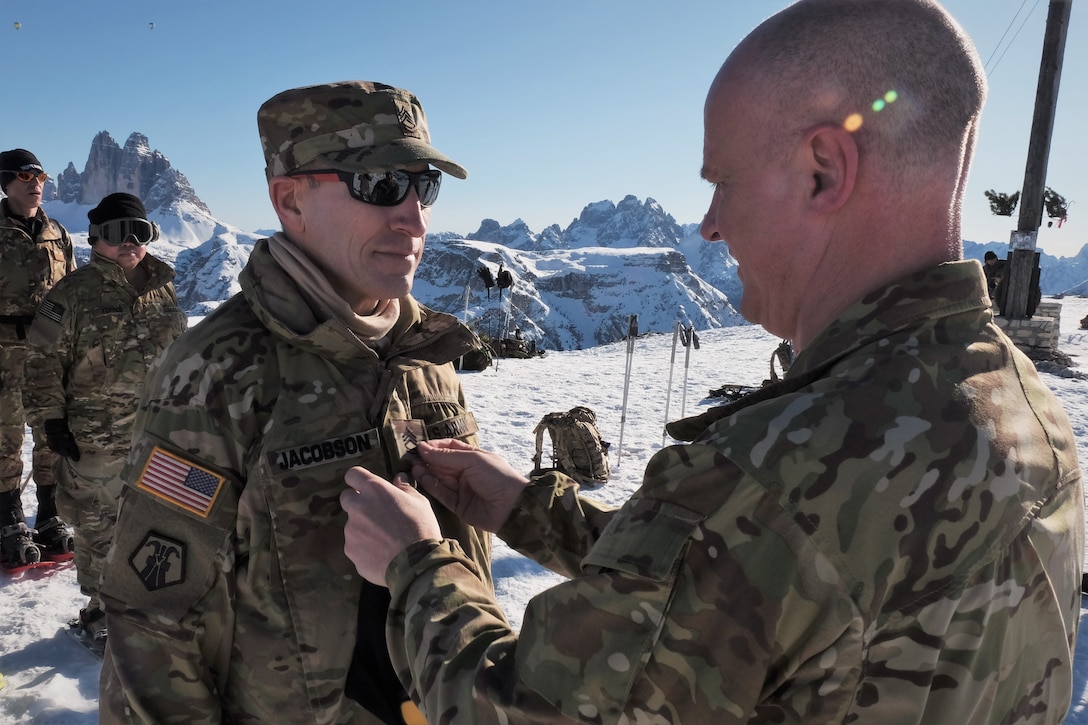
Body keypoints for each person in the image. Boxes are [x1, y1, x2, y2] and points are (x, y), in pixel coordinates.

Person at [339, 2, 1085, 723]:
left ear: (823, 170)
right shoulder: (1030, 410)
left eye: (721, 180)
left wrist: (415, 566)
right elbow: (748, 594)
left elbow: (523, 710)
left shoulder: (766, 478)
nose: (710, 223)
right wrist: (534, 509)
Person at [97, 81, 493, 725]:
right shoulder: (220, 370)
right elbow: (152, 625)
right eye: (381, 184)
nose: (415, 219)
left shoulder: (425, 353)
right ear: (290, 201)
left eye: (424, 186)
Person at [23, 192, 187, 641]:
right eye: (118, 233)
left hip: (157, 433)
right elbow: (40, 363)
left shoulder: (163, 288)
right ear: (96, 239)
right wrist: (51, 422)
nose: (130, 242)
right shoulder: (71, 294)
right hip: (94, 439)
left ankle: (148, 601)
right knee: (98, 529)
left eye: (141, 231)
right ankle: (101, 613)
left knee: (157, 521)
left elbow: (181, 357)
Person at [0, 148, 76, 570]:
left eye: (40, 176)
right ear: (6, 183)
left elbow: (73, 292)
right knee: (5, 435)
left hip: (48, 350)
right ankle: (9, 515)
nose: (36, 183)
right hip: (3, 352)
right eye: (25, 176)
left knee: (51, 431)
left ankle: (50, 512)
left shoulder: (58, 233)